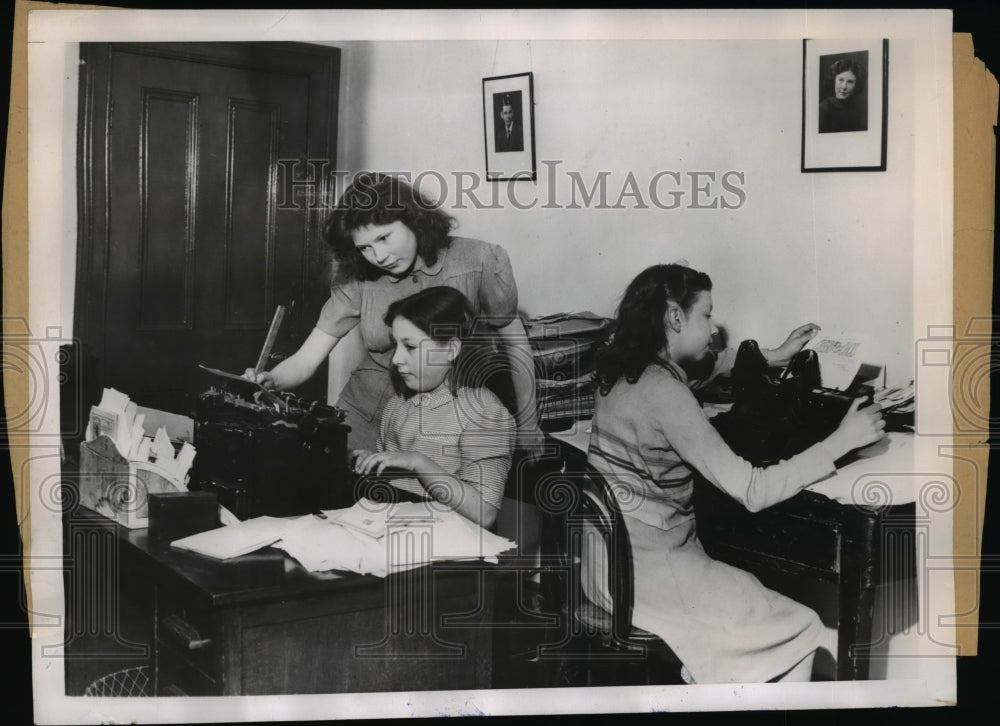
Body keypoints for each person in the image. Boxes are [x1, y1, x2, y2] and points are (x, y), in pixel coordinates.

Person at [585, 263, 885, 684]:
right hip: (648, 578)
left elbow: (711, 363)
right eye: (706, 315)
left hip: (603, 567)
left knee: (746, 591)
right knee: (804, 627)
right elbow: (753, 490)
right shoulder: (668, 394)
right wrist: (840, 441)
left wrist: (775, 355)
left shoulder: (620, 370)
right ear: (674, 317)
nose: (711, 330)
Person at [245, 172, 540, 453]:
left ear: (414, 219)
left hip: (448, 423)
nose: (379, 257)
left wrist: (528, 424)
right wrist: (269, 379)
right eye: (365, 247)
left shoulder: (478, 260)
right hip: (365, 416)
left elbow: (516, 345)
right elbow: (306, 360)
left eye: (384, 238)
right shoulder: (357, 279)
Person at [350, 287, 515, 530]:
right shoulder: (399, 402)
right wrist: (374, 465)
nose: (396, 359)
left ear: (451, 350)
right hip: (395, 528)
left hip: (454, 547)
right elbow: (397, 485)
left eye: (411, 347)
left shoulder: (484, 412)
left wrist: (419, 463)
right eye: (396, 345)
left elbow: (484, 513)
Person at [818, 58, 867, 133]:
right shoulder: (823, 109)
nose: (844, 87)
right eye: (841, 80)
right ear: (834, 80)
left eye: (850, 82)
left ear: (856, 85)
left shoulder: (855, 108)